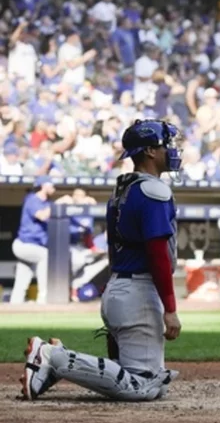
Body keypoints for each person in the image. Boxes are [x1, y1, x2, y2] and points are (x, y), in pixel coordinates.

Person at [20, 119, 182, 402]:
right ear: (150, 152)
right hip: (138, 294)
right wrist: (170, 308)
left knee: (156, 384)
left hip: (121, 288)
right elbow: (157, 253)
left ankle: (58, 362)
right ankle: (53, 357)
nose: (170, 150)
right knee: (142, 387)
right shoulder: (153, 191)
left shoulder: (125, 188)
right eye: (164, 145)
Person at [10, 176, 72, 304]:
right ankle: (43, 297)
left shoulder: (47, 203)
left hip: (33, 246)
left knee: (23, 275)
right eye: (51, 185)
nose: (54, 187)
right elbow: (43, 216)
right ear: (44, 185)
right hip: (24, 244)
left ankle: (14, 304)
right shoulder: (32, 199)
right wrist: (58, 203)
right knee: (45, 256)